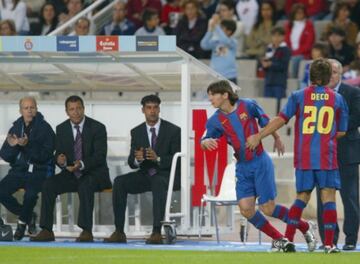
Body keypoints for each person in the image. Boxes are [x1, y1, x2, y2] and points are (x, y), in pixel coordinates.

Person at [247, 58, 349, 253]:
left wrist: (259, 135)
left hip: (305, 156)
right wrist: (324, 137)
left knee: (301, 197)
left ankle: (289, 240)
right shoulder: (337, 99)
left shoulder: (298, 96)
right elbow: (342, 131)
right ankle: (329, 244)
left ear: (310, 76)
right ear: (328, 77)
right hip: (326, 156)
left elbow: (280, 119)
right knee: (328, 198)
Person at [201, 80, 316, 252]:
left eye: (213, 95)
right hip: (242, 166)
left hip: (260, 162)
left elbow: (267, 122)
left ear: (225, 95)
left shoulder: (248, 105)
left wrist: (276, 138)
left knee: (267, 208)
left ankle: (304, 226)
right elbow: (205, 139)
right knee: (246, 209)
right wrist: (205, 142)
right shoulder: (215, 120)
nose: (210, 99)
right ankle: (280, 239)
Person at [30, 95, 112, 242]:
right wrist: (60, 161)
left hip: (95, 173)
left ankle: (86, 231)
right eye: (72, 109)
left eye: (78, 108)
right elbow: (58, 154)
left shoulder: (98, 127)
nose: (76, 112)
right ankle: (46, 230)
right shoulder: (61, 128)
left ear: (84, 109)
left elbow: (100, 156)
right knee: (49, 184)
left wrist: (81, 164)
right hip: (71, 173)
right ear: (67, 112)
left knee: (86, 184)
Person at [104, 95, 180, 244]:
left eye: (155, 107)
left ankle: (157, 232)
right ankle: (119, 231)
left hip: (166, 175)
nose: (152, 111)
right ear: (143, 110)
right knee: (119, 182)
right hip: (145, 174)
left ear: (159, 109)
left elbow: (178, 159)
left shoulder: (173, 130)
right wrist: (138, 159)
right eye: (149, 108)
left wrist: (157, 158)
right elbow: (131, 162)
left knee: (158, 182)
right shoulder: (136, 131)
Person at [316, 59, 360, 251]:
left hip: (346, 153)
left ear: (340, 73)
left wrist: (330, 127)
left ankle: (350, 239)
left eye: (334, 72)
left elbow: (356, 118)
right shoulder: (316, 95)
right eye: (328, 72)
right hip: (322, 154)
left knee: (349, 198)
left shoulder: (353, 92)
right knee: (323, 198)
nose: (330, 75)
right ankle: (329, 239)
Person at [0, 97, 55, 241]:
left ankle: (22, 224)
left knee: (30, 195)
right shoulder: (15, 127)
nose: (29, 111)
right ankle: (28, 216)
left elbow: (45, 155)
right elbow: (5, 155)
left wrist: (27, 145)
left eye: (32, 107)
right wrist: (13, 146)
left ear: (36, 109)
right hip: (18, 171)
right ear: (21, 111)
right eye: (26, 108)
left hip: (38, 171)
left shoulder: (46, 128)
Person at [200, 15, 238, 84]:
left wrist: (216, 26)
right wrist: (210, 31)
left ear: (229, 31)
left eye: (222, 28)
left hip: (230, 76)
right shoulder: (216, 41)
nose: (219, 30)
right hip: (215, 76)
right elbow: (203, 45)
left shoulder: (233, 42)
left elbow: (225, 41)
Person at [262, 26, 291, 113]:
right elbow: (265, 63)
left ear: (283, 37)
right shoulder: (269, 48)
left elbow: (284, 65)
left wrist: (271, 64)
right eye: (274, 36)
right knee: (268, 106)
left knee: (278, 107)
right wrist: (264, 64)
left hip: (279, 83)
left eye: (279, 36)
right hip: (268, 81)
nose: (276, 38)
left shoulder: (285, 50)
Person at [284, 3, 315, 78]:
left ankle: (293, 79)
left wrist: (296, 53)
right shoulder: (288, 25)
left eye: (301, 13)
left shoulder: (309, 25)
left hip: (304, 54)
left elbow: (309, 44)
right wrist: (290, 52)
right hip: (290, 52)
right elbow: (286, 41)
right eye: (297, 13)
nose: (299, 15)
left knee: (295, 59)